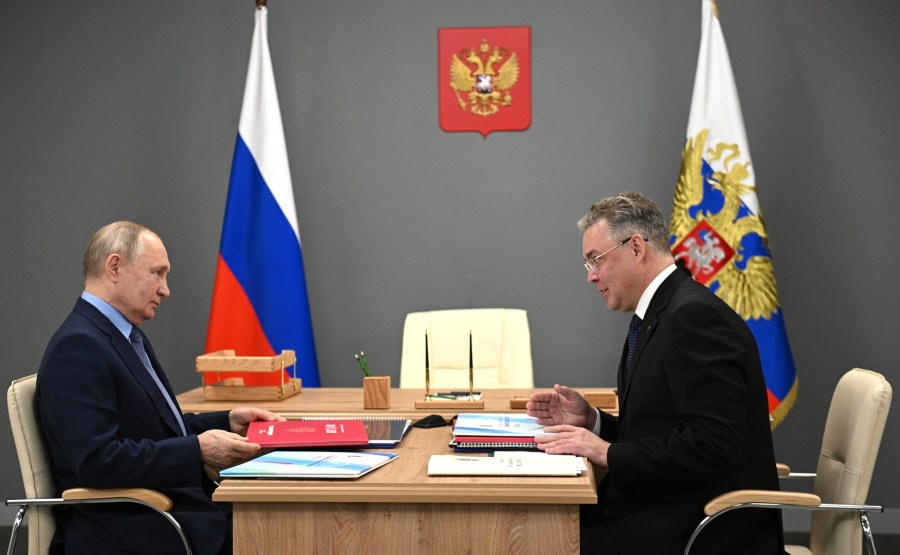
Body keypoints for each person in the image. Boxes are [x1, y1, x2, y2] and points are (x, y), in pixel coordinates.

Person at [527, 192, 784, 554]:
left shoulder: (694, 318)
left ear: (636, 247)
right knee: (530, 526)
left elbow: (713, 444)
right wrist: (592, 422)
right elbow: (658, 431)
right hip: (653, 508)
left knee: (530, 539)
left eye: (595, 260)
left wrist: (607, 453)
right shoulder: (661, 313)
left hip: (692, 529)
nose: (591, 276)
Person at [36, 221, 284, 555]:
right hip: (129, 524)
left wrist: (227, 421)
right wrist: (198, 450)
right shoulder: (79, 346)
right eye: (157, 273)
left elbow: (157, 428)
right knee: (282, 525)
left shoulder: (123, 335)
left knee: (282, 513)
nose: (165, 290)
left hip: (166, 507)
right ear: (114, 267)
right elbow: (98, 461)